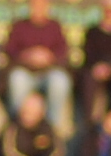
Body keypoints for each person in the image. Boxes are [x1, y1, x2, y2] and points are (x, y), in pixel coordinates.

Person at [4, 0, 71, 134]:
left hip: (48, 72)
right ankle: (18, 126)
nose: (38, 9)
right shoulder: (20, 25)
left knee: (60, 80)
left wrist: (48, 57)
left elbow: (63, 52)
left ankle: (50, 128)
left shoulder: (54, 26)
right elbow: (9, 50)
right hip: (26, 72)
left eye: (42, 6)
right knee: (17, 78)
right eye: (35, 6)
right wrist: (27, 56)